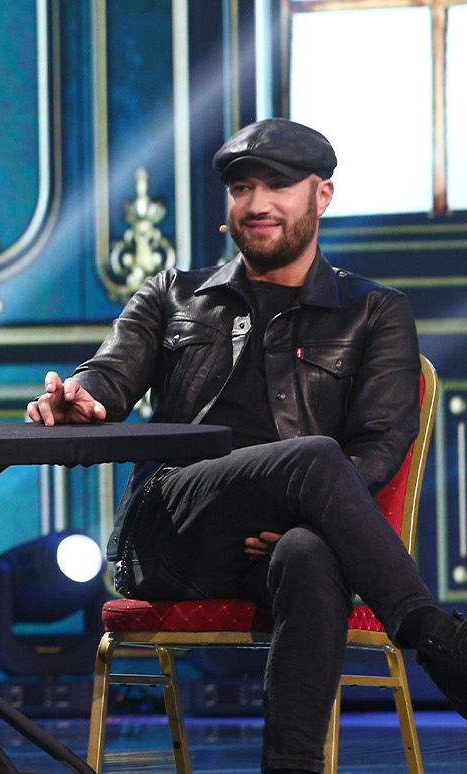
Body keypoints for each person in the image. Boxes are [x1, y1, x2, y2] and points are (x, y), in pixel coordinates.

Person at [26, 117, 467, 774]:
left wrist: (306, 519)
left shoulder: (374, 312)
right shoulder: (173, 294)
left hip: (283, 542)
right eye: (242, 188)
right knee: (315, 457)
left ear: (322, 194)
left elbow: (381, 445)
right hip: (174, 529)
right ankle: (441, 642)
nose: (256, 203)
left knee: (312, 552)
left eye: (277, 185)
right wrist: (82, 398)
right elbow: (108, 375)